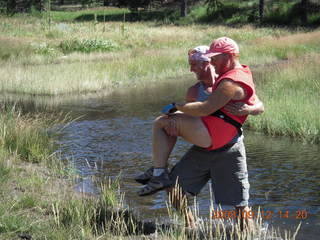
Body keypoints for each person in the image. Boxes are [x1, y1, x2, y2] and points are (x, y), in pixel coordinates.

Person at [135, 36, 263, 222]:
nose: (191, 69)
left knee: (239, 203)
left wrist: (250, 109)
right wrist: (175, 126)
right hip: (204, 147)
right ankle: (190, 225)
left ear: (225, 57)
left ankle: (248, 234)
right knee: (174, 187)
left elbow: (257, 104)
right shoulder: (194, 91)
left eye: (195, 64)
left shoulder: (230, 81)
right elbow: (196, 120)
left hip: (230, 148)